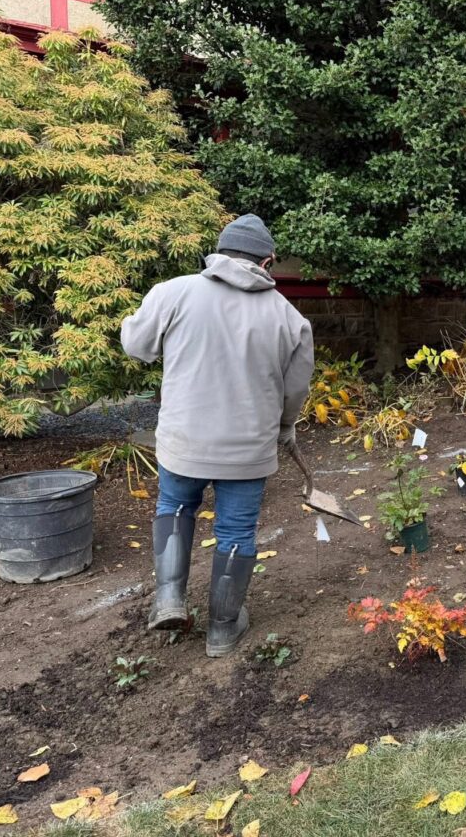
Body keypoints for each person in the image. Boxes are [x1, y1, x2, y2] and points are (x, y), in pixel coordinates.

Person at [121, 214, 314, 656]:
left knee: (174, 507)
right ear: (268, 262)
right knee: (236, 530)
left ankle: (169, 597)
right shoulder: (290, 319)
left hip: (183, 444)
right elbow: (295, 390)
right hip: (247, 452)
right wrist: (285, 427)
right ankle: (223, 630)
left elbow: (136, 345)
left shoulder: (173, 292)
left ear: (219, 252)